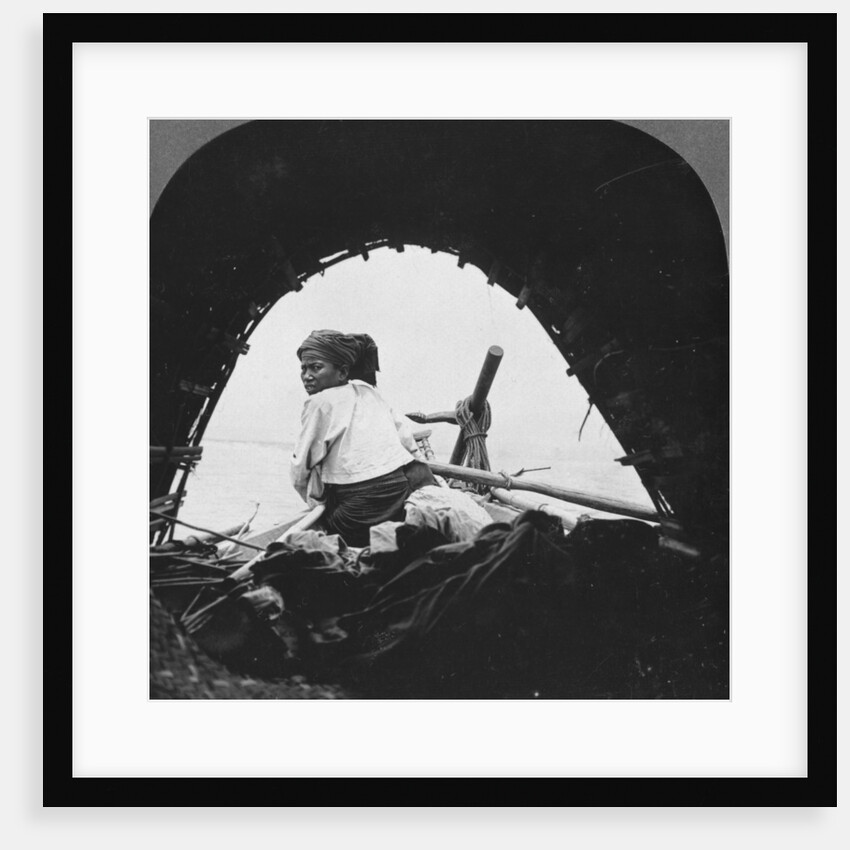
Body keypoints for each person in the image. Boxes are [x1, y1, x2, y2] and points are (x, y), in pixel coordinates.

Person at [290, 329, 436, 547]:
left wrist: (315, 504)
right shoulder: (369, 392)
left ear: (342, 372)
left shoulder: (319, 403)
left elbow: (301, 466)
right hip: (404, 489)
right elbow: (406, 441)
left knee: (325, 536)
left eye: (316, 367)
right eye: (303, 368)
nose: (307, 375)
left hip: (363, 509)